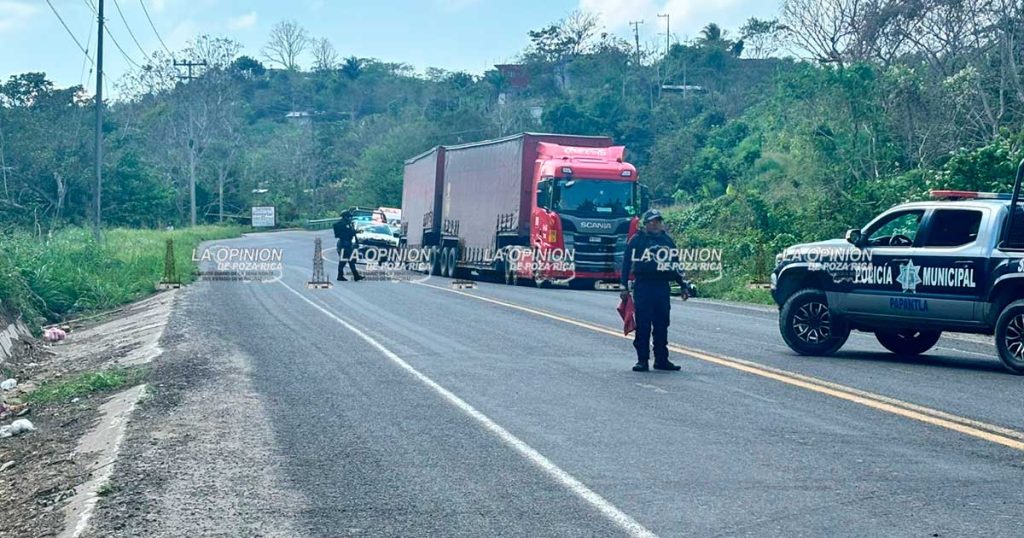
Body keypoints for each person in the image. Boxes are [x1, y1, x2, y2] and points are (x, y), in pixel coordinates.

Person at [620, 209, 684, 372]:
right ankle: (642, 360)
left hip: (662, 287)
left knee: (662, 324)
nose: (655, 225)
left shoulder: (667, 241)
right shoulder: (637, 240)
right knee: (643, 325)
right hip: (643, 286)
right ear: (646, 224)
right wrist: (623, 286)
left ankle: (661, 359)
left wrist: (683, 285)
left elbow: (676, 265)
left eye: (658, 222)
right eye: (652, 222)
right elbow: (626, 263)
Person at [333, 211, 363, 282]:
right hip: (345, 244)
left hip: (344, 243)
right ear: (345, 217)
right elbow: (349, 233)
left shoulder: (346, 224)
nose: (350, 218)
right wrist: (356, 231)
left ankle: (344, 276)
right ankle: (355, 276)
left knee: (345, 261)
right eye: (348, 217)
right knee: (348, 260)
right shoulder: (344, 224)